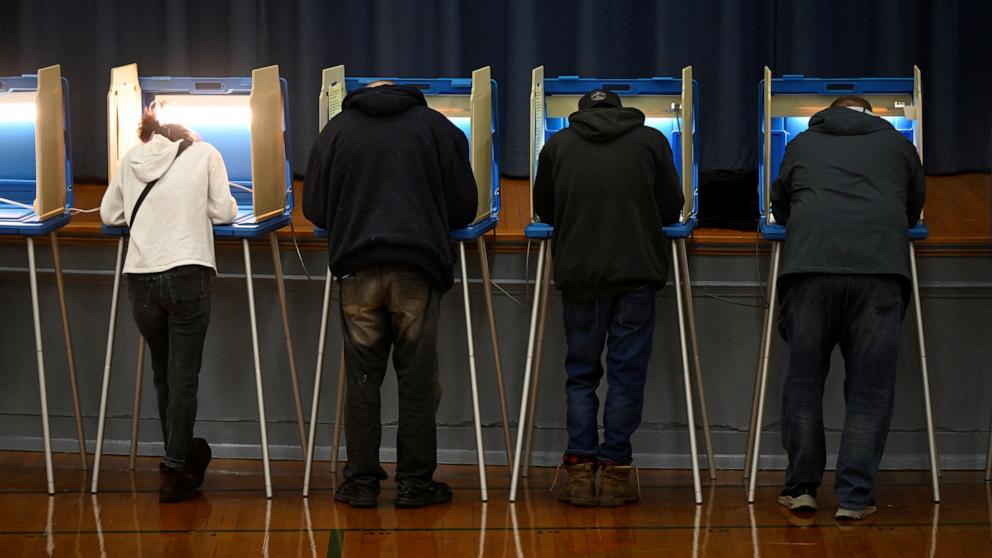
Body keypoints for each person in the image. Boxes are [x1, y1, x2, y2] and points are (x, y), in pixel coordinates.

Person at [302, 81, 477, 509]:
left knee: (363, 380)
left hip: (358, 271)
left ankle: (360, 483)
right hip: (416, 268)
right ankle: (414, 484)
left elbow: (315, 209)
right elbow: (464, 207)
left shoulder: (336, 130)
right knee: (416, 381)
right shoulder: (438, 128)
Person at [771, 96, 926, 520]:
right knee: (869, 390)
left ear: (828, 114)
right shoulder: (898, 145)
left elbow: (780, 204)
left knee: (804, 383)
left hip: (810, 269)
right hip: (879, 271)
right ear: (872, 116)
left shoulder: (801, 142)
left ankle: (801, 489)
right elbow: (913, 209)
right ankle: (855, 499)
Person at [533, 88, 683, 506]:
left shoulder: (557, 144)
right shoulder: (653, 141)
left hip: (581, 277)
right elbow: (671, 208)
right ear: (622, 111)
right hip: (636, 276)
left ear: (578, 114)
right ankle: (616, 474)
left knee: (581, 376)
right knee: (625, 377)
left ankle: (579, 474)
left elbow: (545, 208)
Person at [100, 110, 238, 503]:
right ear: (186, 136)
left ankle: (176, 461)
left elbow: (110, 214)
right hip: (186, 275)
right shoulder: (205, 152)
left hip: (141, 279)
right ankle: (175, 468)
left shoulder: (131, 158)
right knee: (183, 378)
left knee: (164, 375)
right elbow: (225, 211)